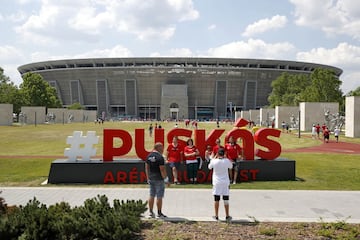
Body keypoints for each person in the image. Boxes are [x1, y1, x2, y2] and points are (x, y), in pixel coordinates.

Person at [145, 142, 170, 218]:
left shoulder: (149, 156)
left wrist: (147, 177)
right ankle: (159, 213)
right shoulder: (160, 157)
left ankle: (150, 212)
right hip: (159, 179)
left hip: (151, 178)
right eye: (162, 147)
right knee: (159, 196)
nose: (163, 149)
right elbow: (162, 169)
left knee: (151, 195)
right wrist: (166, 179)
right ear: (158, 148)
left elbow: (146, 168)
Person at [208, 148, 233, 222]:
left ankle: (216, 215)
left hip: (217, 182)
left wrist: (212, 158)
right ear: (224, 154)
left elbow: (209, 167)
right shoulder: (226, 161)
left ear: (217, 154)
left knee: (216, 199)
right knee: (226, 199)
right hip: (225, 182)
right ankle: (227, 215)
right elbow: (231, 166)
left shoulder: (214, 161)